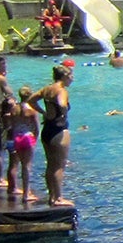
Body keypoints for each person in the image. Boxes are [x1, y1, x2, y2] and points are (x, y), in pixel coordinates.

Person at [30, 65, 74, 206]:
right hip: (58, 130)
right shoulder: (62, 90)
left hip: (47, 129)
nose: (72, 79)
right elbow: (61, 104)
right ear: (65, 76)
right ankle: (59, 198)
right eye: (71, 76)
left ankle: (51, 196)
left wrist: (43, 112)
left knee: (50, 165)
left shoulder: (47, 89)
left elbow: (31, 100)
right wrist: (63, 115)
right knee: (59, 166)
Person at [5, 92, 39, 202]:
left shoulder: (14, 109)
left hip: (17, 138)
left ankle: (21, 190)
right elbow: (36, 128)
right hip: (27, 137)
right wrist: (36, 139)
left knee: (17, 164)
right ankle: (26, 193)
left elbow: (10, 124)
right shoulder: (31, 110)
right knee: (27, 166)